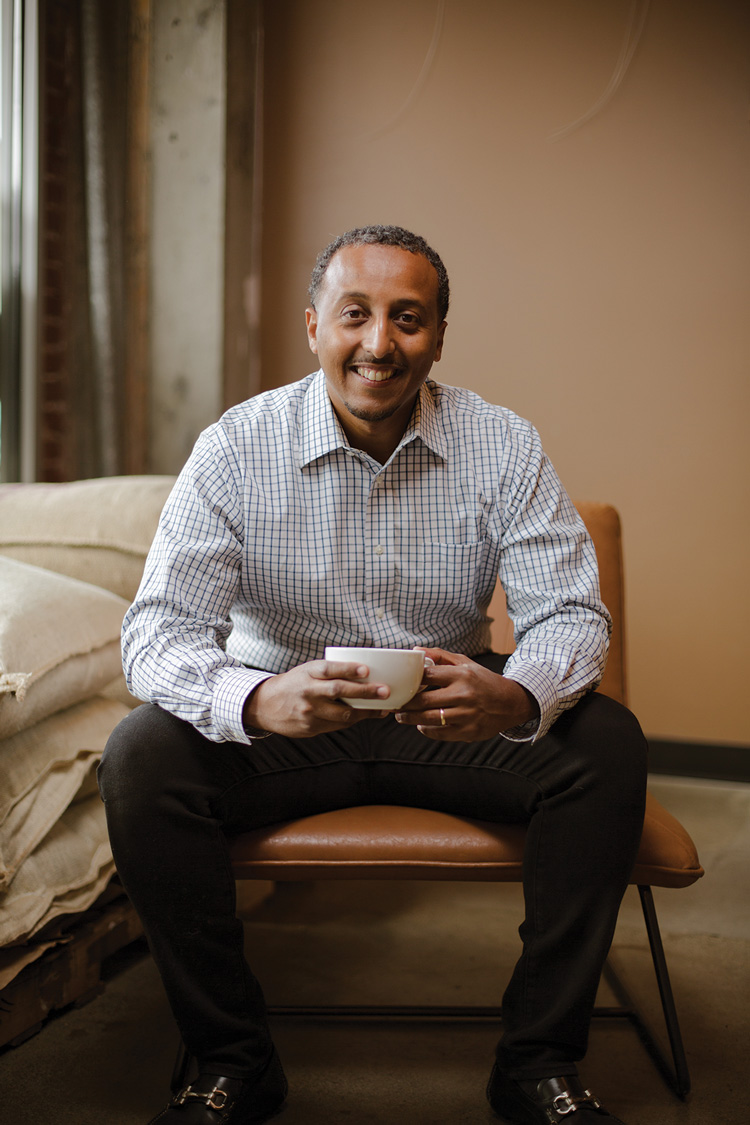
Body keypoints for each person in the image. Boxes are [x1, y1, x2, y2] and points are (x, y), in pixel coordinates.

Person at [99, 225, 647, 1125]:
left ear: (439, 334)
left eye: (408, 318)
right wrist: (255, 698)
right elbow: (157, 632)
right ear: (313, 325)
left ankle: (538, 1061)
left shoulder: (501, 443)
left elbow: (572, 616)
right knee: (139, 757)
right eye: (355, 315)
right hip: (282, 728)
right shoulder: (236, 447)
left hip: (450, 724)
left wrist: (513, 694)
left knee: (608, 746)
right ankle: (230, 1059)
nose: (379, 344)